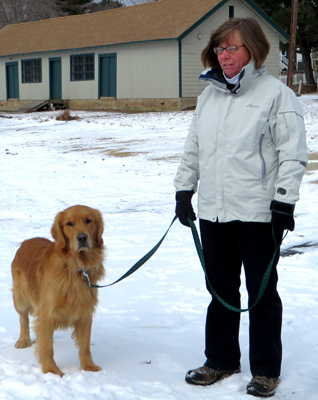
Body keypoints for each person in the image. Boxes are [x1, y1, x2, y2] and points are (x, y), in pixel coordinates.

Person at [174, 17, 307, 398]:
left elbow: (292, 154)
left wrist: (284, 201)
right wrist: (185, 190)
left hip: (257, 214)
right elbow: (193, 149)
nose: (224, 55)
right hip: (215, 211)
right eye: (219, 48)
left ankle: (265, 369)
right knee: (220, 290)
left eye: (232, 48)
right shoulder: (208, 96)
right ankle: (220, 360)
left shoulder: (276, 95)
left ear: (253, 49)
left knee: (262, 294)